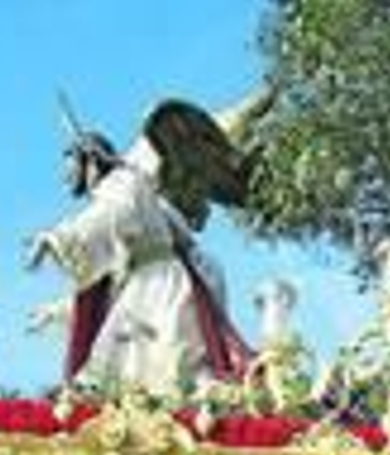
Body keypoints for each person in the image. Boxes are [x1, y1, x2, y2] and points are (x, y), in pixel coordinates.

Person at [28, 106, 251, 399]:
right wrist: (58, 310)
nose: (65, 176)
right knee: (125, 368)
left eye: (70, 165)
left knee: (161, 366)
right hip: (146, 284)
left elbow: (111, 215)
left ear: (90, 160)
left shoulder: (122, 182)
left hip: (159, 285)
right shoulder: (129, 184)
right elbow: (105, 279)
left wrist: (56, 238)